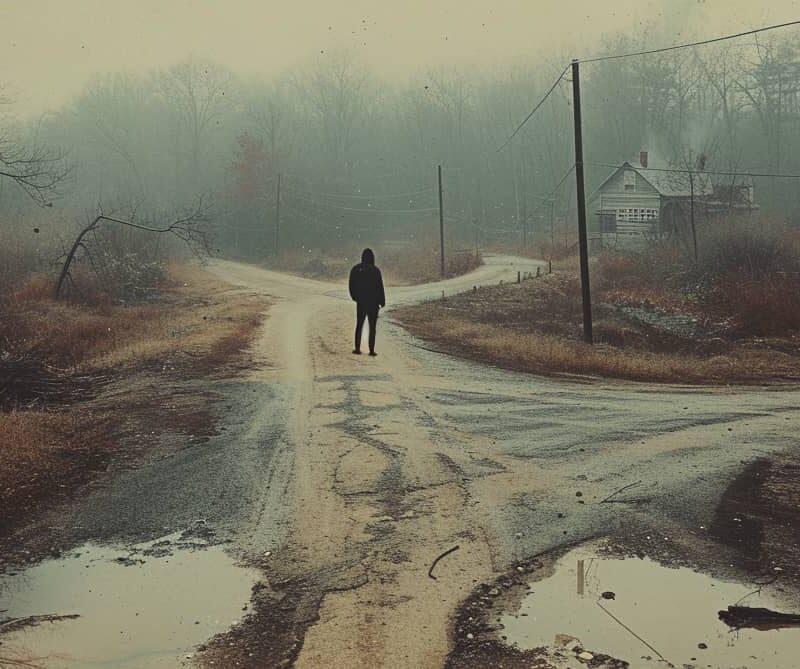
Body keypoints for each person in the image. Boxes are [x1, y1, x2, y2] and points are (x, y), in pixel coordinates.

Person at [348, 248, 386, 356]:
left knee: (359, 324)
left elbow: (351, 285)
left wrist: (355, 297)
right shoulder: (376, 270)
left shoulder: (356, 269)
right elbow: (380, 287)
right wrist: (382, 301)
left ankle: (357, 348)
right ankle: (371, 349)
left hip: (361, 302)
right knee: (372, 327)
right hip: (373, 303)